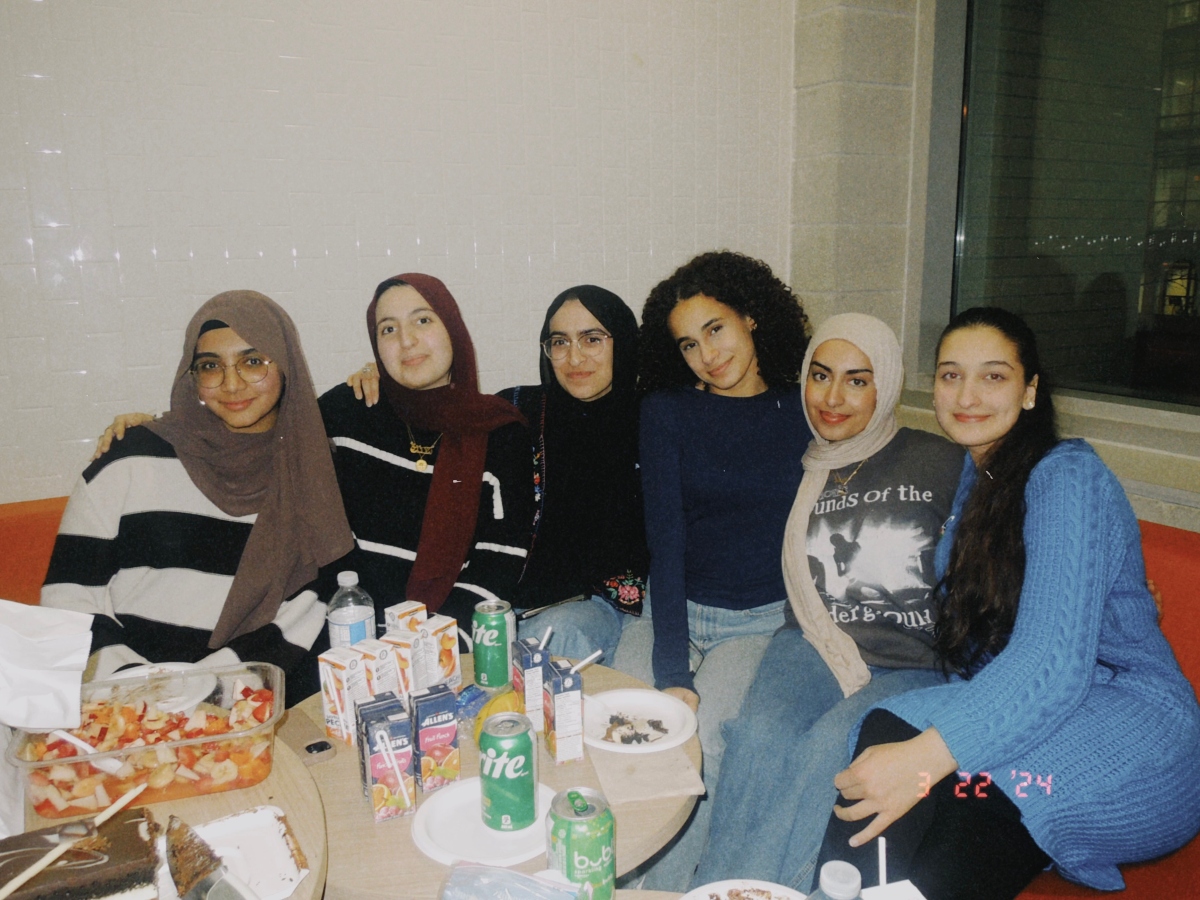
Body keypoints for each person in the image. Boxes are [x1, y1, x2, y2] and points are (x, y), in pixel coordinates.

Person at [816, 307, 1200, 900]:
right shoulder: (975, 479)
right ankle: (844, 892)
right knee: (885, 729)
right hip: (1043, 712)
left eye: (993, 376)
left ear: (1030, 391)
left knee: (985, 786)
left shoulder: (1068, 475)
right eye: (949, 375)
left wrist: (924, 762)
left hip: (1136, 727)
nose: (967, 395)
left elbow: (1052, 664)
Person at [691, 314, 964, 891]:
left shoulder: (943, 460)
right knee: (758, 735)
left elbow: (1022, 532)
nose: (833, 398)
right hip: (814, 640)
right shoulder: (802, 458)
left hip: (915, 661)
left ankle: (772, 889)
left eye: (857, 380)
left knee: (827, 750)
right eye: (820, 376)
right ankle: (716, 887)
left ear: (885, 384)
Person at [42, 291, 354, 704]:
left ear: (287, 364)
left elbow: (307, 611)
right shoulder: (129, 457)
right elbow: (68, 595)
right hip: (111, 702)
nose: (231, 382)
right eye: (210, 366)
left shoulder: (314, 475)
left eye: (253, 361)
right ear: (192, 377)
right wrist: (135, 692)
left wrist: (201, 695)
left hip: (232, 707)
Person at [622, 250, 811, 891]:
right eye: (687, 343)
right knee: (625, 733)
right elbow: (665, 542)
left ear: (751, 318)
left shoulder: (804, 411)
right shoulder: (668, 412)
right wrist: (672, 671)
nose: (706, 354)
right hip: (674, 607)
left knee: (702, 741)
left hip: (759, 622)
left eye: (715, 329)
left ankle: (666, 890)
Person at [317, 274, 532, 640]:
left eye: (423, 320)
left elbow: (499, 560)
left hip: (446, 642)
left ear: (452, 328)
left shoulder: (499, 433)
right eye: (388, 329)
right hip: (346, 643)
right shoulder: (345, 412)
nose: (406, 341)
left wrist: (430, 648)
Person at [500, 286, 649, 662]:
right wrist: (377, 382)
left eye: (592, 339)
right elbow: (437, 416)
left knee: (553, 641)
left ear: (625, 343)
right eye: (560, 342)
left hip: (605, 606)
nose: (574, 357)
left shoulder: (655, 419)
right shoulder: (518, 410)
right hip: (511, 602)